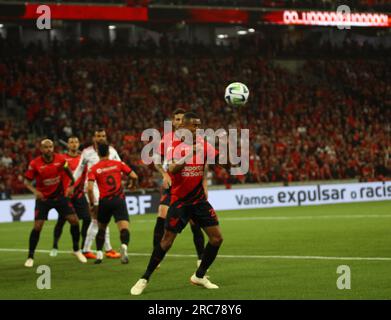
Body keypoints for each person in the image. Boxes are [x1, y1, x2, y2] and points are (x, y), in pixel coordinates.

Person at [131, 112, 232, 295]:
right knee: (167, 242)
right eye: (195, 125)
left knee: (217, 238)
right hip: (180, 202)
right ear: (185, 127)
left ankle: (199, 275)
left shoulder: (204, 145)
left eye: (200, 125)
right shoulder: (174, 146)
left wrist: (226, 155)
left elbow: (226, 165)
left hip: (199, 201)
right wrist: (191, 153)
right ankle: (144, 278)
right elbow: (171, 168)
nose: (199, 129)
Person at [152, 109, 206, 268]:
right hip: (172, 184)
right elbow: (156, 160)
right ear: (173, 121)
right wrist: (164, 174)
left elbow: (203, 164)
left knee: (194, 222)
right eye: (176, 119)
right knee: (161, 216)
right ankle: (157, 255)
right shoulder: (166, 139)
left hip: (190, 185)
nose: (179, 122)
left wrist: (204, 185)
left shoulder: (196, 139)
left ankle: (200, 258)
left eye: (182, 119)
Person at [24, 139, 87, 268]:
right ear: (41, 149)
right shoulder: (35, 164)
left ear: (53, 147)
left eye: (51, 147)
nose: (49, 149)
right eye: (46, 147)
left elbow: (70, 174)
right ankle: (30, 256)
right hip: (43, 199)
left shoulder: (61, 160)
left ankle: (76, 250)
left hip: (59, 197)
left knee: (74, 221)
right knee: (37, 227)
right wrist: (35, 191)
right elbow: (27, 182)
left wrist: (70, 186)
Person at [72, 129, 121, 259]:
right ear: (94, 137)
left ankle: (89, 249)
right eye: (98, 136)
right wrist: (70, 184)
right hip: (92, 188)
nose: (101, 138)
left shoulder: (112, 151)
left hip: (106, 189)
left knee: (99, 220)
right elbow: (79, 169)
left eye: (103, 136)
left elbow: (120, 165)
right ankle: (104, 249)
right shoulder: (87, 152)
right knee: (99, 218)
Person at [87, 143, 138, 264]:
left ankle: (99, 254)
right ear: (109, 153)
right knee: (124, 228)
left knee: (102, 228)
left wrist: (92, 204)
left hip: (104, 202)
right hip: (118, 200)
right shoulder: (118, 164)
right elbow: (134, 176)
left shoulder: (94, 168)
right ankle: (124, 246)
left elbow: (89, 188)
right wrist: (132, 185)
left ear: (98, 153)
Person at [50, 136, 91, 257]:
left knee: (87, 219)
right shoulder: (63, 158)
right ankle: (55, 245)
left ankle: (82, 246)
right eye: (71, 142)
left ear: (79, 144)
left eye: (76, 142)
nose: (74, 144)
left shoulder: (83, 159)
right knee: (61, 221)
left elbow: (85, 175)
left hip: (79, 194)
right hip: (65, 195)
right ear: (68, 145)